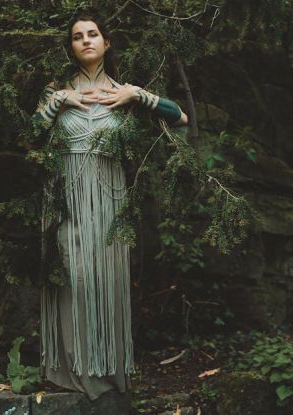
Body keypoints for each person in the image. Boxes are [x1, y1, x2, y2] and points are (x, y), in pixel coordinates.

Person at [32, 11, 188, 401]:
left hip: (110, 199)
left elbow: (181, 117)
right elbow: (31, 135)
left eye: (93, 34)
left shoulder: (123, 92)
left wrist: (139, 95)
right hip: (65, 198)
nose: (86, 40)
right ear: (70, 47)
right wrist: (57, 103)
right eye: (77, 36)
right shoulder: (57, 90)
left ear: (106, 43)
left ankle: (107, 373)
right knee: (74, 276)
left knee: (107, 281)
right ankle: (72, 369)